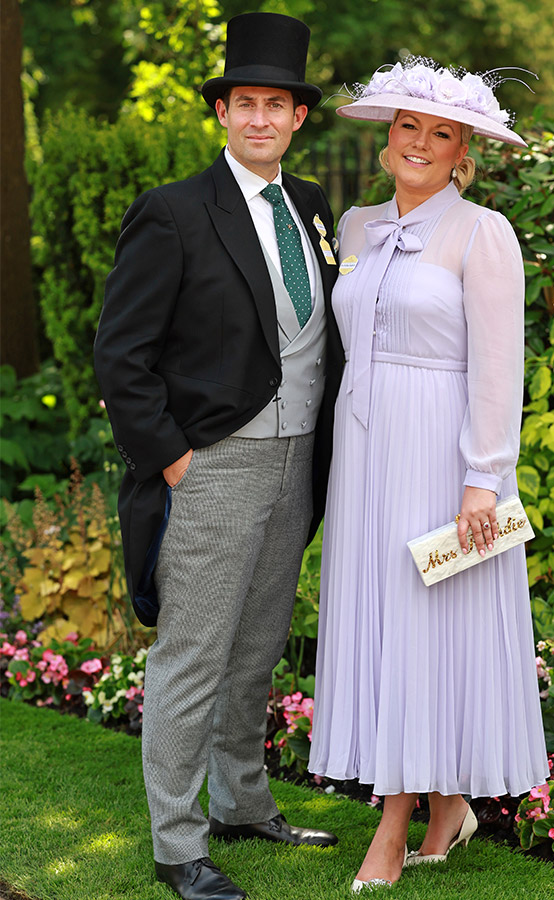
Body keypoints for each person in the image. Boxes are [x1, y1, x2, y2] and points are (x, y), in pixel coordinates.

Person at [94, 13, 343, 900]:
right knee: (194, 654)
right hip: (213, 465)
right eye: (246, 103)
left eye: (278, 105)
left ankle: (243, 801)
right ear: (223, 112)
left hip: (297, 462)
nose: (262, 120)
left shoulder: (312, 207)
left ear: (299, 117)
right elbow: (120, 355)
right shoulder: (173, 212)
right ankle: (178, 844)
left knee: (256, 648)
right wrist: (172, 461)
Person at [308, 58, 548, 892]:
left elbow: (496, 366)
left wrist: (484, 477)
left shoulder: (483, 234)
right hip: (366, 454)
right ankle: (450, 809)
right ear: (387, 140)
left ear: (461, 155)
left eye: (439, 133)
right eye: (407, 126)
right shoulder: (356, 227)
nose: (419, 142)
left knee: (425, 624)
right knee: (385, 622)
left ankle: (395, 820)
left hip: (445, 457)